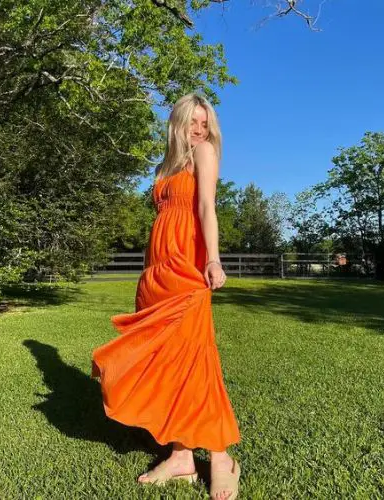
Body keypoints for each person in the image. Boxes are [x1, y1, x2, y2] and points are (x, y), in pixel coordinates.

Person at [91, 93, 241, 500]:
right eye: (192, 122)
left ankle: (221, 456)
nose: (198, 129)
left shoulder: (205, 153)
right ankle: (181, 456)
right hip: (157, 273)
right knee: (167, 363)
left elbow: (207, 207)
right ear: (177, 124)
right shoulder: (166, 165)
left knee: (195, 360)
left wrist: (213, 259)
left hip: (187, 269)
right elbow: (162, 220)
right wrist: (145, 270)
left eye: (204, 122)